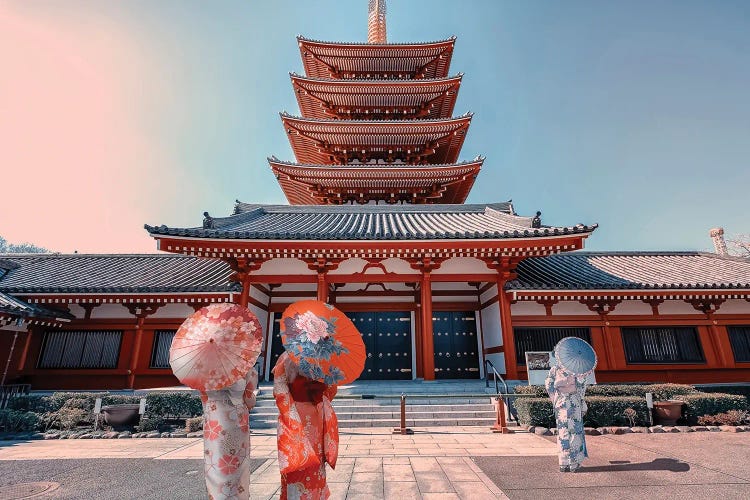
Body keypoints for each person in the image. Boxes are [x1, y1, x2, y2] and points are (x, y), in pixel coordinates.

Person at [273, 351, 339, 499]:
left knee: (297, 457)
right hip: (316, 413)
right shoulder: (323, 358)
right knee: (315, 460)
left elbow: (279, 391)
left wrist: (289, 414)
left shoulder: (285, 358)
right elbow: (331, 390)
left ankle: (296, 494)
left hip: (294, 412)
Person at [199, 369, 258, 499]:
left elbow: (203, 396)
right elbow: (249, 400)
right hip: (235, 419)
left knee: (215, 463)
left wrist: (209, 410)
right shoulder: (242, 367)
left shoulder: (204, 369)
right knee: (236, 465)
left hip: (214, 420)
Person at [545, 365, 588, 472]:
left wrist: (555, 398)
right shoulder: (577, 369)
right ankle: (573, 463)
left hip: (561, 401)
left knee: (563, 432)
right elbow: (582, 387)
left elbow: (548, 385)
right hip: (573, 401)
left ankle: (564, 464)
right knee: (574, 432)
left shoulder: (554, 369)